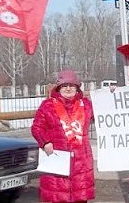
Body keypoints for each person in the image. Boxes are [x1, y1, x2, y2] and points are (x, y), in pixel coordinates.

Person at [31, 70, 95, 203]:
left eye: (72, 85)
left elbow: (105, 113)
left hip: (81, 164)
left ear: (77, 88)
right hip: (57, 160)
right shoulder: (48, 105)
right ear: (58, 88)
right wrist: (45, 142)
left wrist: (112, 94)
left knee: (80, 199)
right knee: (59, 198)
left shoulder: (86, 105)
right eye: (64, 85)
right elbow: (37, 128)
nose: (68, 88)